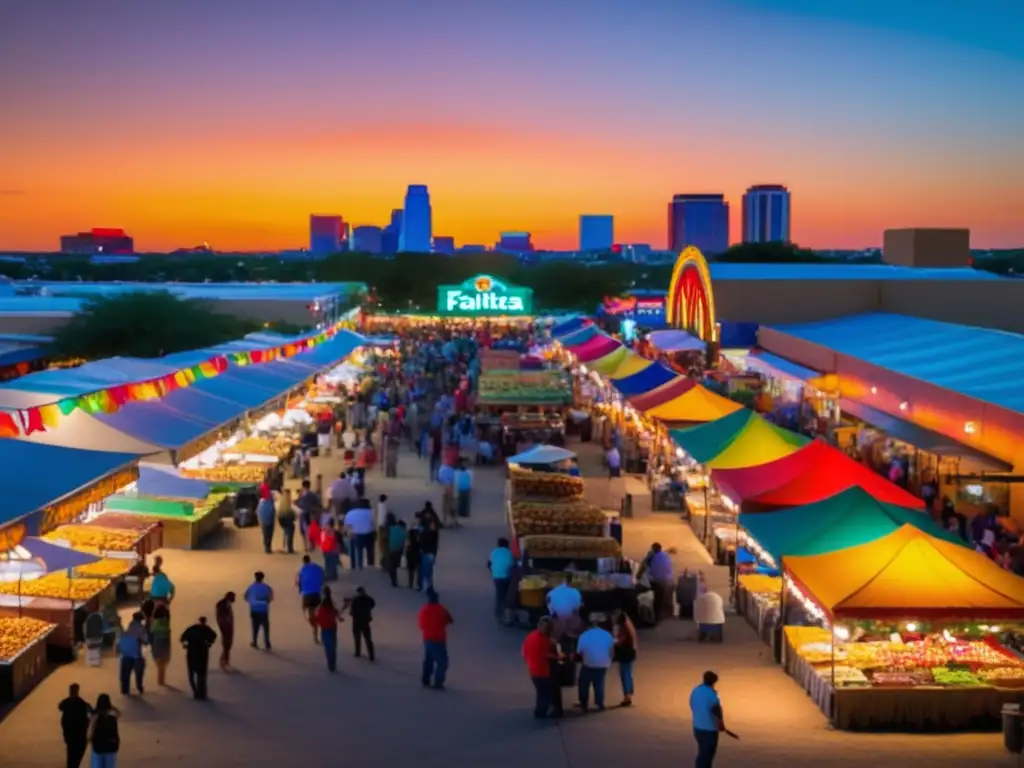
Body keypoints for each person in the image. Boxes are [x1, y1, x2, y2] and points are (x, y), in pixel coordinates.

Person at [522, 617, 561, 719]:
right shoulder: (542, 640)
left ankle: (539, 710)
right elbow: (546, 654)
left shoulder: (531, 636)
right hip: (542, 671)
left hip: (533, 669)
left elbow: (524, 651)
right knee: (545, 693)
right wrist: (558, 657)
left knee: (541, 692)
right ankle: (541, 712)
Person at [575, 617, 615, 712]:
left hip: (589, 663)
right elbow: (612, 651)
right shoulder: (607, 635)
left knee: (584, 683)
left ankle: (584, 703)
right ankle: (600, 703)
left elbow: (579, 652)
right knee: (599, 683)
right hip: (603, 664)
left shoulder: (584, 635)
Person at [418, 589, 453, 690]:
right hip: (439, 639)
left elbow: (421, 625)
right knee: (442, 662)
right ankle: (438, 682)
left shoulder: (424, 610)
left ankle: (425, 679)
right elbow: (449, 620)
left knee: (429, 659)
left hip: (427, 638)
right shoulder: (442, 610)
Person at [690, 671, 726, 768]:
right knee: (707, 756)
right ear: (714, 682)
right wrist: (721, 723)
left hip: (697, 727)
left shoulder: (696, 690)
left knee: (702, 753)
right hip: (709, 729)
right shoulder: (712, 695)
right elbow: (716, 710)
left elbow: (692, 705)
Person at [180, 617, 218, 701]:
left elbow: (182, 638)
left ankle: (196, 691)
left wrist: (185, 645)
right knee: (202, 674)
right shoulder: (206, 629)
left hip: (191, 652)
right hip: (202, 652)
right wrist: (209, 643)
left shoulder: (191, 629)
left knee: (191, 674)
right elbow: (214, 635)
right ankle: (202, 693)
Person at [59, 683, 92, 768]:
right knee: (78, 752)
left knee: (71, 752)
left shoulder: (67, 702)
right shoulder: (82, 703)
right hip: (79, 733)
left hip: (70, 733)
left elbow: (60, 707)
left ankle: (71, 765)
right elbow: (91, 711)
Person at [642, 542, 675, 620]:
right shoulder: (665, 555)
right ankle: (668, 612)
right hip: (669, 582)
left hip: (657, 582)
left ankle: (655, 612)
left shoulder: (652, 556)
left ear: (653, 549)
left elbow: (644, 566)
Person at [297, 554, 325, 642]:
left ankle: (315, 631)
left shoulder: (302, 569)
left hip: (307, 595)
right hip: (317, 593)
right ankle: (318, 630)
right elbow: (323, 579)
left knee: (309, 614)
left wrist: (300, 590)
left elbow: (299, 581)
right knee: (318, 613)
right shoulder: (318, 568)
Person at [117, 612, 147, 696]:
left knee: (125, 673)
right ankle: (139, 687)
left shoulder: (129, 626)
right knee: (139, 672)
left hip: (125, 654)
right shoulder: (141, 628)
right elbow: (145, 641)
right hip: (136, 654)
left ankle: (125, 690)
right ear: (141, 620)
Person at [315, 586, 344, 672]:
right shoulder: (331, 605)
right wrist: (339, 617)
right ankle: (333, 663)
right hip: (332, 627)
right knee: (333, 646)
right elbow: (336, 612)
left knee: (328, 646)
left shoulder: (321, 608)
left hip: (325, 628)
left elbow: (317, 618)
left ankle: (330, 663)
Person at [613, 609, 638, 706]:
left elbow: (620, 641)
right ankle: (629, 694)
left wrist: (614, 641)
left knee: (625, 674)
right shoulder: (629, 626)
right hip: (630, 653)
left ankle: (627, 696)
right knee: (628, 673)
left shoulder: (624, 628)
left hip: (625, 654)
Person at [88, 694, 120, 768]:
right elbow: (119, 713)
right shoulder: (112, 718)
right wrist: (111, 707)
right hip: (111, 747)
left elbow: (90, 734)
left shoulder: (95, 717)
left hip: (98, 747)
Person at [244, 571, 274, 651]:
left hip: (254, 609)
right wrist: (265, 602)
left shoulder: (251, 587)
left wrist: (252, 602)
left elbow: (246, 597)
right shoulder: (267, 587)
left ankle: (255, 642)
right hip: (264, 610)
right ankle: (267, 643)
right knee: (266, 627)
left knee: (255, 626)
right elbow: (270, 598)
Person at [488, 538, 515, 623]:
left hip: (496, 577)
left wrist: (494, 571)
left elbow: (489, 563)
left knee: (499, 595)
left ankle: (499, 613)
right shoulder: (509, 552)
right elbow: (512, 565)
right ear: (507, 545)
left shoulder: (494, 551)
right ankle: (502, 614)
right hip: (506, 576)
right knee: (505, 595)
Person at [345, 497, 376, 569]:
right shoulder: (371, 512)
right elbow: (373, 524)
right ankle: (370, 565)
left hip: (356, 534)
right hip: (368, 534)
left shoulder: (350, 513)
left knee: (355, 548)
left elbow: (347, 527)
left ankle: (355, 565)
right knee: (370, 549)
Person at [348, 586, 376, 661]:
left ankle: (357, 652)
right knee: (368, 638)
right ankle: (371, 655)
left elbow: (351, 612)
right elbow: (373, 604)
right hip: (365, 621)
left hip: (357, 622)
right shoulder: (368, 599)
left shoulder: (355, 600)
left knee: (357, 637)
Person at [150, 603, 172, 686]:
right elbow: (168, 632)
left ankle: (160, 679)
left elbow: (152, 632)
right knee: (163, 661)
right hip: (165, 641)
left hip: (157, 641)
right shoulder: (166, 622)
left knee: (159, 661)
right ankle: (161, 679)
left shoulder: (154, 622)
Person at [215, 592, 235, 671]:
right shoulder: (222, 605)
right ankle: (224, 661)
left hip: (227, 625)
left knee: (228, 643)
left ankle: (225, 660)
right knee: (227, 643)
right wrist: (225, 624)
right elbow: (220, 616)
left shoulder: (226, 604)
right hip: (225, 626)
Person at [386, 516, 407, 587]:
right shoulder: (404, 531)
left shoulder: (391, 529)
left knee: (392, 565)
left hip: (391, 549)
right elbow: (404, 543)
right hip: (398, 550)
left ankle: (392, 578)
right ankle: (394, 580)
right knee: (394, 565)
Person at [419, 520, 439, 592]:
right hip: (429, 553)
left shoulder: (427, 533)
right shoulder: (434, 534)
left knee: (426, 571)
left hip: (428, 553)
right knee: (428, 571)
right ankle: (428, 586)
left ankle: (426, 586)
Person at [276, 489, 296, 554]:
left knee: (286, 532)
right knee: (290, 532)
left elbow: (278, 515)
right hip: (288, 520)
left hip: (282, 519)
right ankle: (289, 548)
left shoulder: (280, 504)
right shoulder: (289, 504)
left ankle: (285, 547)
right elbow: (294, 515)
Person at [405, 525, 422, 590]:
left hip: (411, 556)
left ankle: (410, 584)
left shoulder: (410, 543)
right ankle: (418, 584)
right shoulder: (418, 543)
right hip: (416, 556)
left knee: (411, 571)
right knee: (418, 570)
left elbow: (407, 551)